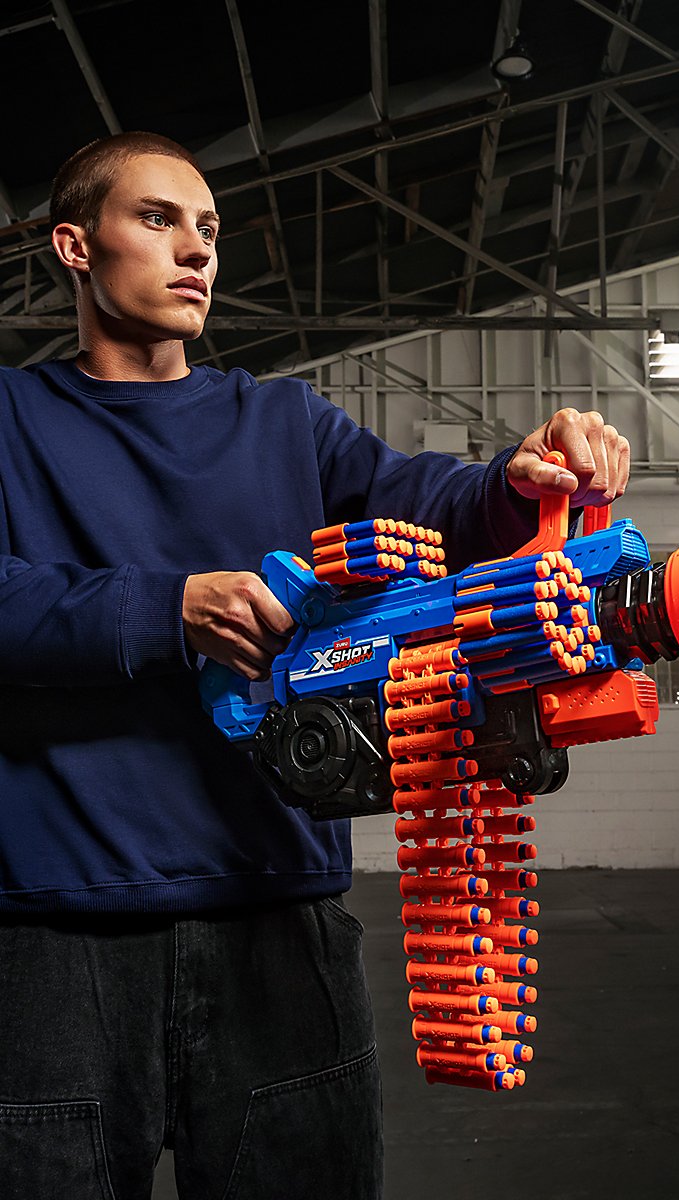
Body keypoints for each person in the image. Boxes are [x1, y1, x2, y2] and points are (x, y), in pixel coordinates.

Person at [0, 131, 629, 1199]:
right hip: (55, 940)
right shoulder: (12, 421)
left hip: (279, 923)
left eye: (208, 228)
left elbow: (434, 504)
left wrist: (519, 481)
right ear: (74, 245)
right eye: (156, 219)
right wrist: (170, 608)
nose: (197, 250)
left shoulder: (284, 422)